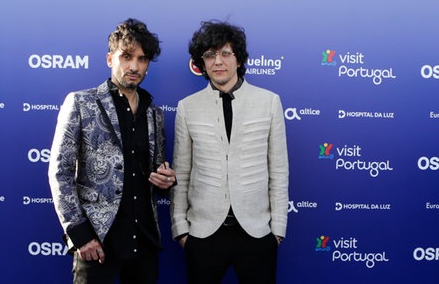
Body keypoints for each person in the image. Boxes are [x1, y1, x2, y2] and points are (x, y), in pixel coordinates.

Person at [48, 17, 176, 284]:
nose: (134, 66)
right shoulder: (81, 103)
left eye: (142, 59)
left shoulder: (154, 114)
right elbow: (59, 172)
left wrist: (165, 181)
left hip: (144, 241)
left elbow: (155, 175)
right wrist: (80, 235)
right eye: (126, 56)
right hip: (98, 242)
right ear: (110, 59)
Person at [170, 21, 289, 283]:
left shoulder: (269, 102)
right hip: (203, 234)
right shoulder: (187, 108)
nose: (218, 62)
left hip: (257, 233)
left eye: (225, 53)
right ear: (202, 63)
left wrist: (277, 230)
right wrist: (181, 230)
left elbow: (278, 171)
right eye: (210, 55)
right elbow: (182, 173)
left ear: (239, 59)